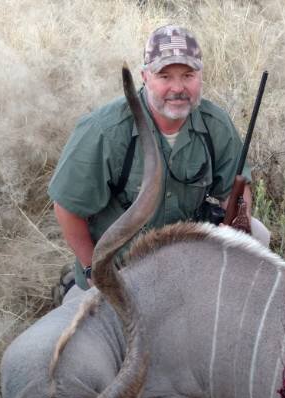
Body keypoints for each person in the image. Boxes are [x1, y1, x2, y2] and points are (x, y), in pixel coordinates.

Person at [48, 24, 270, 303]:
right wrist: (93, 270)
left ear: (200, 76)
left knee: (258, 235)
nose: (178, 88)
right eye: (164, 76)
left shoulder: (216, 124)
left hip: (188, 251)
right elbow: (68, 209)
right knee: (87, 334)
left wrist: (238, 225)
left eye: (188, 75)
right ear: (145, 76)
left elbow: (236, 191)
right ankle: (73, 287)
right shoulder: (104, 130)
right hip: (121, 266)